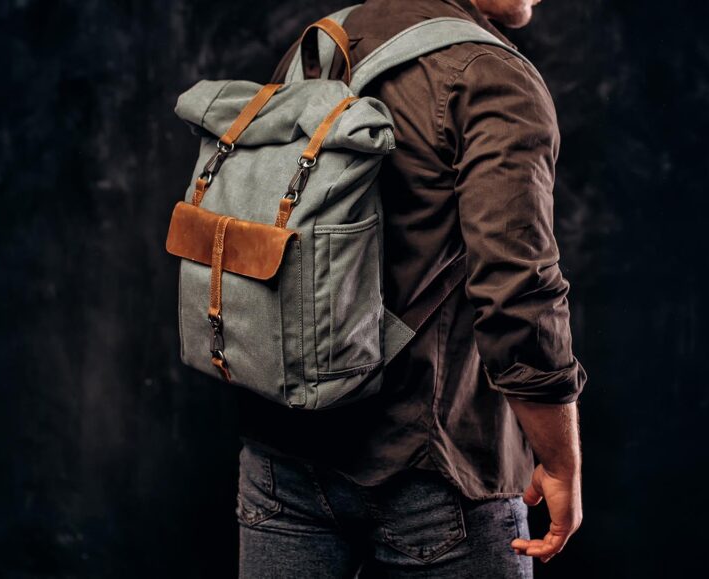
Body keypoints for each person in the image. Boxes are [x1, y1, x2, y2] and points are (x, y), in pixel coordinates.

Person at [233, 0, 589, 576]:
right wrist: (561, 461)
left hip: (282, 457)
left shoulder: (323, 44)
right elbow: (518, 293)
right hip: (434, 473)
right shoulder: (494, 77)